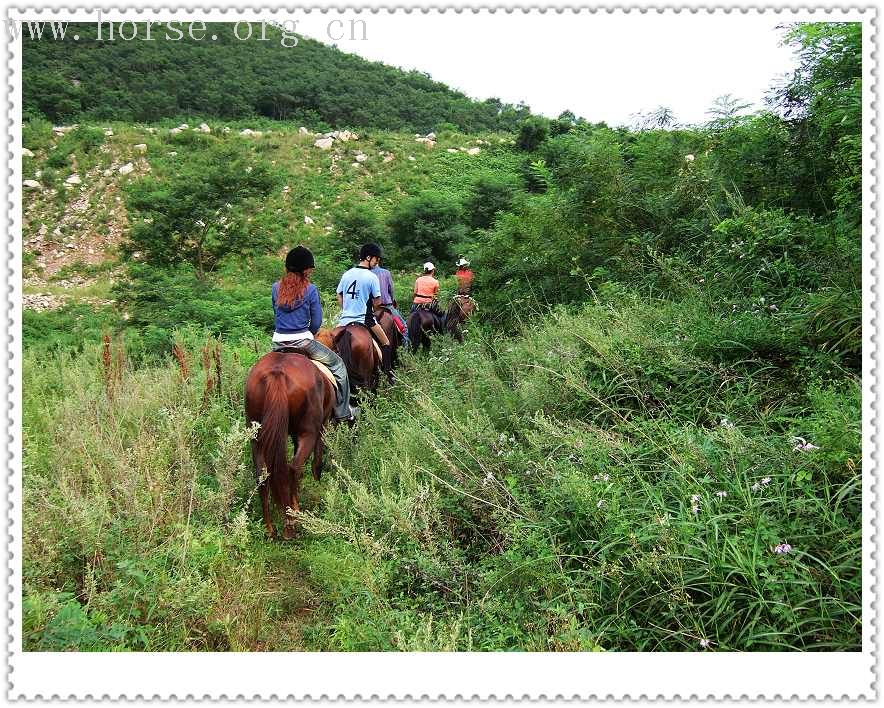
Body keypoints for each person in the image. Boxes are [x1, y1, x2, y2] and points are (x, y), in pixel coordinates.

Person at [271, 245, 358, 423]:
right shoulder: (310, 289)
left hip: (278, 343)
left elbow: (275, 313)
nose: (310, 272)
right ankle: (343, 412)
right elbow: (317, 321)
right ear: (303, 270)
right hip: (303, 342)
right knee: (339, 365)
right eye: (309, 269)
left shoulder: (275, 287)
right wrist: (308, 334)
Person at [336, 243, 394, 381]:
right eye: (376, 259)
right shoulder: (371, 276)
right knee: (386, 343)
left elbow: (339, 294)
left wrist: (346, 309)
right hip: (365, 320)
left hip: (344, 321)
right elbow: (378, 302)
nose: (377, 262)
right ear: (368, 257)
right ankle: (388, 375)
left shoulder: (347, 274)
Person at [371, 256, 409, 347]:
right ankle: (405, 352)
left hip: (371, 308)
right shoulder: (386, 273)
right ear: (378, 260)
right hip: (386, 306)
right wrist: (392, 300)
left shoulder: (366, 273)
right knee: (404, 328)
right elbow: (391, 290)